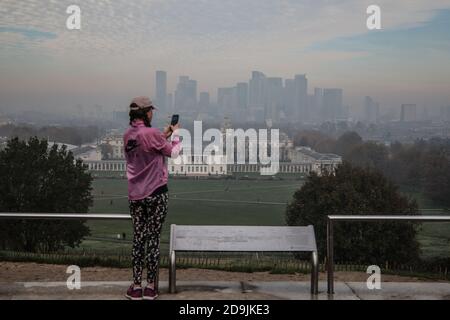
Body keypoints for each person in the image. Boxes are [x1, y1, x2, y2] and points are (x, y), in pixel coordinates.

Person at [123, 96, 181, 300]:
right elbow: (173, 153)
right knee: (153, 240)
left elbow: (147, 146)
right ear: (146, 113)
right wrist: (176, 134)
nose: (152, 114)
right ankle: (151, 287)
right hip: (156, 192)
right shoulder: (151, 133)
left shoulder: (128, 135)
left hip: (135, 195)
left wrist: (164, 133)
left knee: (138, 239)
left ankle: (136, 286)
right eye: (151, 111)